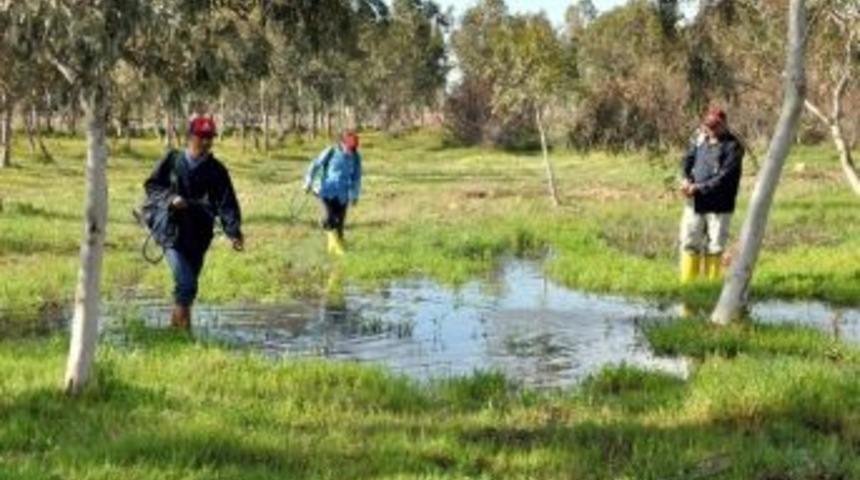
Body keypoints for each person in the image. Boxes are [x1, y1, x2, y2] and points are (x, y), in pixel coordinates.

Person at [144, 116, 244, 329]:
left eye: (210, 138)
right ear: (190, 137)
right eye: (202, 137)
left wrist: (233, 231)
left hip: (199, 234)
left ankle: (176, 334)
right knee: (186, 283)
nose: (207, 142)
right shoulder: (171, 160)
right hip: (171, 233)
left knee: (188, 288)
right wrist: (171, 199)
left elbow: (227, 202)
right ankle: (182, 332)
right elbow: (152, 187)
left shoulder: (217, 169)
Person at [679, 107, 745, 283]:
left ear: (724, 125)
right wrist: (685, 179)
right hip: (696, 202)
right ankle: (687, 286)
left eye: (715, 126)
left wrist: (698, 188)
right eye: (708, 126)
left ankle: (711, 287)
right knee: (689, 243)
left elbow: (724, 178)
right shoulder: (699, 139)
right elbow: (687, 159)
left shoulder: (734, 146)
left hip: (720, 205)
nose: (711, 130)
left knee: (715, 246)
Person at [303, 130, 362, 256]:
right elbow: (315, 165)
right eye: (349, 147)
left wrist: (355, 195)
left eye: (354, 148)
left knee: (339, 225)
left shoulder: (356, 157)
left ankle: (335, 248)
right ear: (342, 143)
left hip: (342, 195)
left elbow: (356, 178)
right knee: (329, 218)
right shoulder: (331, 151)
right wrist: (308, 182)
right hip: (325, 190)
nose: (351, 151)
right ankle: (337, 247)